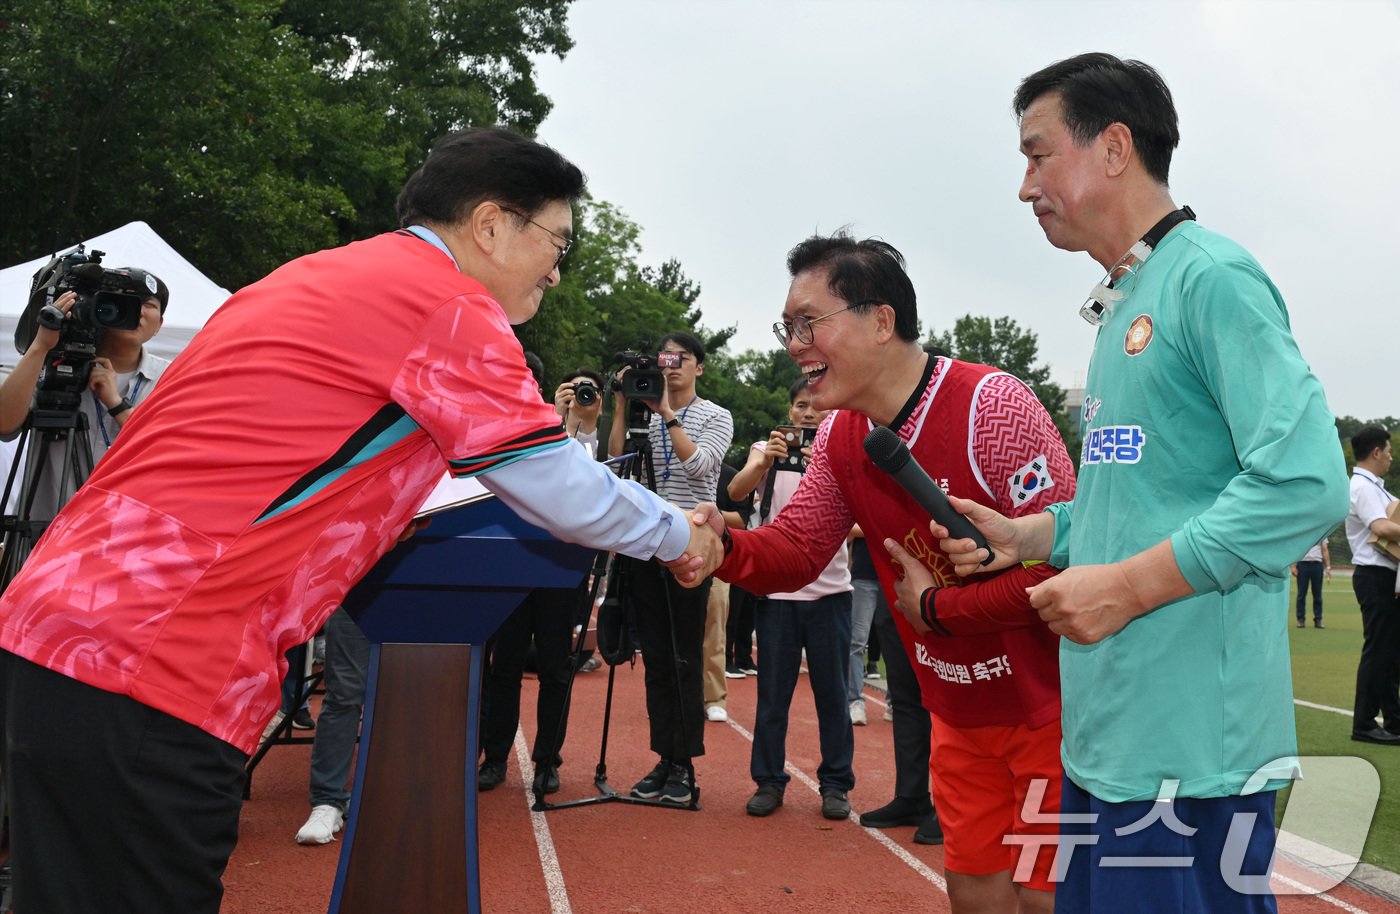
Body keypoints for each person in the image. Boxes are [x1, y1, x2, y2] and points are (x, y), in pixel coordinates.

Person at [0, 127, 721, 914]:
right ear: (490, 224)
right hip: (162, 654)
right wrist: (683, 536)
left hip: (56, 628)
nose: (556, 268)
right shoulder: (444, 304)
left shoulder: (306, 278)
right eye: (557, 242)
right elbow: (554, 483)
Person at [933, 53, 1347, 913]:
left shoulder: (1211, 279)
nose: (1023, 186)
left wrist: (1126, 587)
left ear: (1113, 147)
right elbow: (1143, 495)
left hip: (1189, 749)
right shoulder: (1123, 303)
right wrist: (1030, 536)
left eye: (1037, 154)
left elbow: (1307, 483)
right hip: (1108, 738)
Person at [694, 232, 1074, 913]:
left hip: (1055, 714)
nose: (793, 342)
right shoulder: (844, 433)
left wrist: (934, 612)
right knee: (976, 900)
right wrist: (729, 549)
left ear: (881, 321)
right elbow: (800, 547)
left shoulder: (994, 406)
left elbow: (1070, 572)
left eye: (809, 322)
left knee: (1047, 903)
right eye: (786, 326)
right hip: (959, 718)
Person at [606, 331, 733, 805]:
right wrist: (624, 406)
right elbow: (616, 464)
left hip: (691, 548)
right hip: (644, 545)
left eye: (682, 359)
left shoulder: (715, 416)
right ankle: (664, 756)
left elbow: (701, 469)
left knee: (684, 657)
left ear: (699, 367)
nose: (672, 365)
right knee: (657, 659)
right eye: (666, 358)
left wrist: (665, 413)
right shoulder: (642, 411)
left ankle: (684, 766)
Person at [478, 365, 609, 795]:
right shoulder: (528, 426)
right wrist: (554, 415)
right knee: (505, 667)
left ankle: (547, 761)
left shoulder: (595, 441)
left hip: (562, 570)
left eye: (586, 393)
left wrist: (585, 425)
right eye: (573, 391)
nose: (580, 398)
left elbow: (590, 481)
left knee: (555, 670)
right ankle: (494, 757)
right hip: (515, 567)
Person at [728, 378, 854, 820]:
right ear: (789, 409)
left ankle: (836, 785)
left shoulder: (841, 452)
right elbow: (736, 493)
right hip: (778, 594)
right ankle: (768, 780)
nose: (807, 413)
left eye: (815, 405)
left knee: (833, 697)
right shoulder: (767, 448)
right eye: (800, 405)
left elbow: (861, 519)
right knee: (772, 696)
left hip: (831, 592)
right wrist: (763, 464)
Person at [0, 272, 169, 520]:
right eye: (124, 300)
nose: (137, 311)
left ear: (160, 325)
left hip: (124, 532)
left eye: (148, 304)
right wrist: (41, 345)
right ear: (98, 306)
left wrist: (117, 404)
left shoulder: (172, 376)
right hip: (45, 528)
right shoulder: (55, 363)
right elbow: (5, 423)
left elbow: (165, 455)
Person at [293, 607, 370, 845]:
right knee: (344, 694)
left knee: (418, 691)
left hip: (430, 586)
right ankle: (327, 801)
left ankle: (413, 797)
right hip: (359, 588)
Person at [1347, 426, 1400, 745]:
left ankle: (1394, 719)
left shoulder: (1376, 488)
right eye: (1389, 451)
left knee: (1391, 653)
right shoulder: (1362, 487)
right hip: (1374, 573)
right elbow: (1380, 526)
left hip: (1384, 575)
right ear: (1376, 452)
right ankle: (1364, 724)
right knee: (1378, 651)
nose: (1391, 457)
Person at [1292, 537, 1330, 629]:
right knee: (1301, 594)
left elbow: (1325, 549)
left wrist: (1328, 567)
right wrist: (1293, 566)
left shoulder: (1322, 531)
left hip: (1317, 565)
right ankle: (1300, 619)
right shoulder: (1303, 531)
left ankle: (1318, 619)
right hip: (1303, 564)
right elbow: (1294, 548)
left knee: (1317, 594)